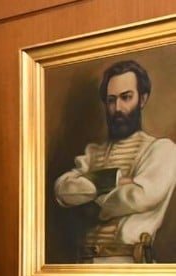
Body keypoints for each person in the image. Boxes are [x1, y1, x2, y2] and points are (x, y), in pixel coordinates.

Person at [54, 60, 176, 263]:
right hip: (84, 267)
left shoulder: (162, 150)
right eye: (111, 100)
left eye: (126, 97)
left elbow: (140, 196)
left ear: (142, 99)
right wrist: (115, 180)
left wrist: (90, 203)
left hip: (130, 267)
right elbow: (62, 190)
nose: (117, 108)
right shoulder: (92, 153)